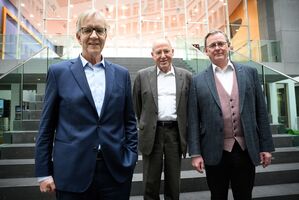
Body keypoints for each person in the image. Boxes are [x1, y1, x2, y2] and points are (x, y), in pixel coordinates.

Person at [35, 9, 138, 200]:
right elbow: (46, 126)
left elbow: (129, 121)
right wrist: (43, 171)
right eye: (87, 30)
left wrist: (130, 157)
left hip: (115, 172)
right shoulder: (59, 73)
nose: (93, 36)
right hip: (72, 172)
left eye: (99, 30)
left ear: (106, 35)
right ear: (78, 36)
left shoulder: (121, 74)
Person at [187, 30, 275, 200]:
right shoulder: (197, 81)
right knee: (217, 196)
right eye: (212, 45)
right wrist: (196, 153)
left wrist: (266, 147)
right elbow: (193, 119)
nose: (217, 48)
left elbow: (261, 112)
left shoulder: (250, 73)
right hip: (213, 150)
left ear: (229, 46)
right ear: (206, 51)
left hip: (245, 149)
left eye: (221, 43)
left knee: (244, 195)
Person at [133, 38, 192, 200]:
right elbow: (138, 107)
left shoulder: (186, 76)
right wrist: (147, 123)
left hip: (175, 133)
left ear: (173, 52)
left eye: (166, 51)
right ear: (152, 55)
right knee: (150, 183)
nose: (163, 55)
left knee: (174, 182)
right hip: (152, 133)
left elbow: (190, 107)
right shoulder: (142, 76)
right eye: (158, 52)